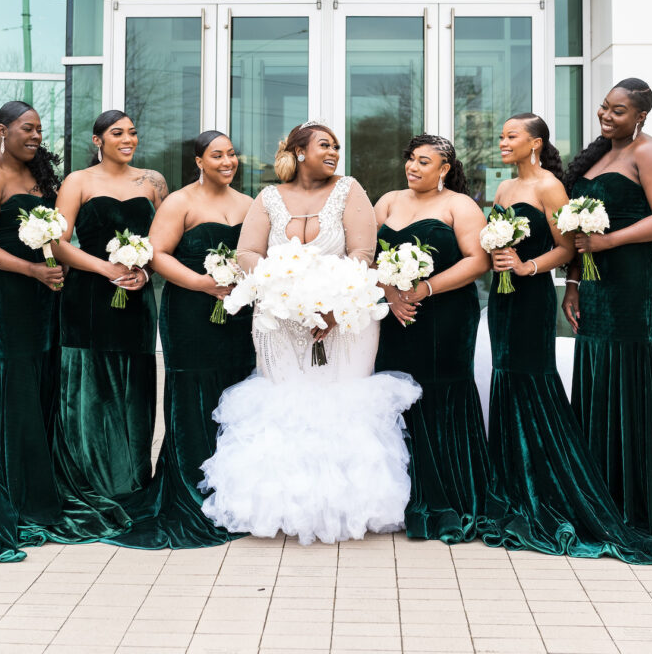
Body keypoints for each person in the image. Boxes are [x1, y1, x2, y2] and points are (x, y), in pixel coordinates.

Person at [201, 121, 421, 544]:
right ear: (299, 152)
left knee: (341, 401)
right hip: (279, 320)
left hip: (346, 317)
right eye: (325, 145)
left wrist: (334, 306)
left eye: (337, 146)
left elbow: (362, 252)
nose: (334, 152)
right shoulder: (268, 197)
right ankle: (284, 505)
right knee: (287, 402)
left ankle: (347, 508)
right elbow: (248, 251)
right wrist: (279, 288)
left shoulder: (349, 189)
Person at [480, 112, 652, 562]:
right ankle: (511, 487)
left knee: (535, 381)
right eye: (501, 135)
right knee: (505, 378)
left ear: (534, 143)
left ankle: (551, 486)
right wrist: (499, 252)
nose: (502, 141)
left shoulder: (550, 185)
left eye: (511, 136)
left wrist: (528, 268)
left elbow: (567, 248)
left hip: (533, 297)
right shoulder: (505, 188)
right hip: (504, 299)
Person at [110, 130, 254, 549]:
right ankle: (192, 491)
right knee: (192, 394)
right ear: (198, 161)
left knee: (235, 393)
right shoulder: (180, 202)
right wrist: (201, 282)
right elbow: (157, 254)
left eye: (231, 154)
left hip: (236, 314)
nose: (227, 161)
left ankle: (233, 492)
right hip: (190, 314)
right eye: (217, 155)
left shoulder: (248, 205)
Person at [45, 110, 167, 541]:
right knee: (90, 392)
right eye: (118, 133)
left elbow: (162, 244)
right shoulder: (77, 181)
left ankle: (131, 482)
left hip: (136, 298)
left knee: (134, 390)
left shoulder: (151, 182)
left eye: (133, 132)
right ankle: (91, 484)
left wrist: (144, 272)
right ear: (98, 140)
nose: (128, 138)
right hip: (88, 298)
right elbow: (56, 243)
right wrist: (105, 268)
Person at [564, 78, 652, 535]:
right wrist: (571, 283)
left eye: (619, 111)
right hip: (594, 279)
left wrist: (610, 240)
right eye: (605, 107)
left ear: (641, 116)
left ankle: (644, 496)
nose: (607, 116)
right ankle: (602, 490)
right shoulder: (599, 154)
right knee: (599, 367)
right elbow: (577, 233)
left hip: (637, 277)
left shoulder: (647, 151)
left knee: (632, 366)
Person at [374, 134, 490, 543]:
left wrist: (424, 289)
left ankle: (450, 493)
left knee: (440, 394)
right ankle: (397, 497)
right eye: (410, 159)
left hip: (446, 317)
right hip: (394, 316)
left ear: (444, 169)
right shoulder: (388, 201)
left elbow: (479, 260)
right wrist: (391, 295)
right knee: (396, 392)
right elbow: (368, 255)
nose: (413, 167)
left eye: (424, 162)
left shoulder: (460, 205)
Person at [0, 101, 63, 563]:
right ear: (3, 130)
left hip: (45, 293)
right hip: (8, 296)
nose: (36, 135)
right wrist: (31, 270)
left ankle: (40, 491)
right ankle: (12, 497)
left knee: (41, 385)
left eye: (40, 129)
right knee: (16, 389)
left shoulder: (39, 176)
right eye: (27, 128)